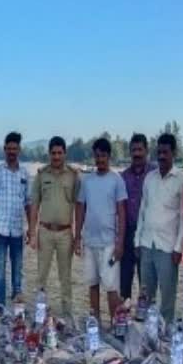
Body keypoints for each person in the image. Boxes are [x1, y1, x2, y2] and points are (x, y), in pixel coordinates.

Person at [135, 133, 183, 322]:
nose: (162, 156)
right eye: (159, 152)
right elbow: (143, 209)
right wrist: (137, 241)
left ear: (174, 153)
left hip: (168, 247)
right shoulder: (150, 178)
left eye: (166, 152)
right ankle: (147, 331)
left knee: (167, 295)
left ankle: (165, 332)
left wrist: (178, 248)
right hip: (147, 243)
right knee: (145, 293)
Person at [74, 138, 127, 324]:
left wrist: (120, 242)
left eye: (103, 156)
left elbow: (121, 211)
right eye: (97, 156)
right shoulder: (87, 181)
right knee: (93, 283)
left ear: (109, 156)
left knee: (111, 286)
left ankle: (115, 324)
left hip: (109, 243)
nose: (100, 159)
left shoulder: (116, 180)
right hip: (89, 242)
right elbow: (80, 208)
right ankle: (95, 323)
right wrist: (77, 236)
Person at [29, 137, 80, 318]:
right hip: (45, 232)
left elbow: (79, 205)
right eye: (53, 153)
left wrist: (78, 236)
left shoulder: (74, 176)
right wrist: (32, 233)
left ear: (65, 153)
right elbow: (35, 205)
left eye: (60, 153)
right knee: (41, 275)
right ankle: (40, 312)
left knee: (65, 276)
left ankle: (67, 312)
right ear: (49, 154)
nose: (56, 156)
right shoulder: (42, 175)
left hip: (66, 233)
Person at [0, 132, 32, 316]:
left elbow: (28, 202)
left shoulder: (25, 174)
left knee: (17, 268)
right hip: (1, 228)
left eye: (15, 148)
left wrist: (31, 227)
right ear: (4, 149)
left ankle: (16, 302)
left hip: (17, 229)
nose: (12, 152)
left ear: (19, 150)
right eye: (9, 148)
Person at [119, 133, 155, 302]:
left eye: (140, 149)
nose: (137, 153)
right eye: (134, 150)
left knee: (145, 280)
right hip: (127, 232)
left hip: (148, 233)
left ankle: (145, 319)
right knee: (125, 278)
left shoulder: (155, 174)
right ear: (130, 152)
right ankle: (123, 317)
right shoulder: (123, 177)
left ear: (147, 150)